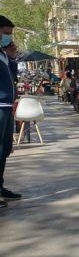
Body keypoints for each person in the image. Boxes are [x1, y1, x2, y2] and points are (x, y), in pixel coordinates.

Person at [0, 15, 21, 207]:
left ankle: (0, 187)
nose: (9, 38)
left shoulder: (4, 55)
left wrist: (13, 58)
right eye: (6, 34)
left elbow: (13, 78)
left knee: (5, 149)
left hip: (7, 106)